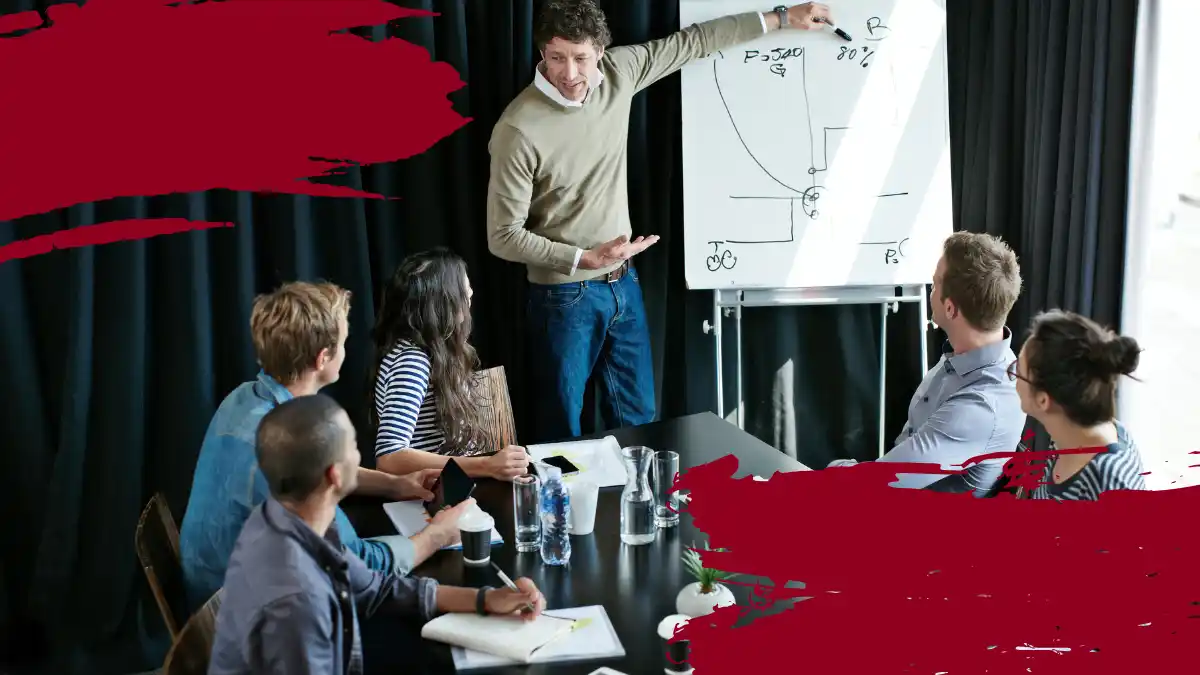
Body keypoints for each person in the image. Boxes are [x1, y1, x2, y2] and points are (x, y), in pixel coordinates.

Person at [486, 0, 834, 442]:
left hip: (624, 287)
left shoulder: (620, 72)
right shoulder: (518, 128)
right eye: (556, 58)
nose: (569, 73)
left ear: (601, 53)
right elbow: (502, 236)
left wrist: (782, 18)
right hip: (563, 299)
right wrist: (582, 258)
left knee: (641, 425)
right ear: (542, 55)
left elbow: (695, 42)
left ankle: (639, 509)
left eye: (581, 58)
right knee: (562, 433)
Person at [179, 281, 471, 612]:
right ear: (323, 358)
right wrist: (438, 535)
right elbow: (355, 566)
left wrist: (394, 484)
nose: (346, 351)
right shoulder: (293, 446)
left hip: (208, 592)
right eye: (344, 342)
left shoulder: (243, 399)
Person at [208, 394, 546, 675]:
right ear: (336, 475)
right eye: (354, 449)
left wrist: (486, 600)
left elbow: (377, 587)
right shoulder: (299, 603)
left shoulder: (292, 521)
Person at [828, 232, 1027, 491]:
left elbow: (877, 484)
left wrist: (836, 468)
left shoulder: (980, 407)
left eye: (934, 285)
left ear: (950, 309)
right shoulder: (972, 354)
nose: (931, 291)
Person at [368, 249, 529, 479]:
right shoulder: (411, 361)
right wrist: (487, 465)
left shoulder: (437, 351)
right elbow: (390, 457)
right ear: (443, 299)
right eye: (464, 291)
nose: (470, 292)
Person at [1009, 310, 1146, 500]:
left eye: (1017, 371)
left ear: (1043, 400)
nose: (1012, 377)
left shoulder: (1110, 484)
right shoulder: (1067, 431)